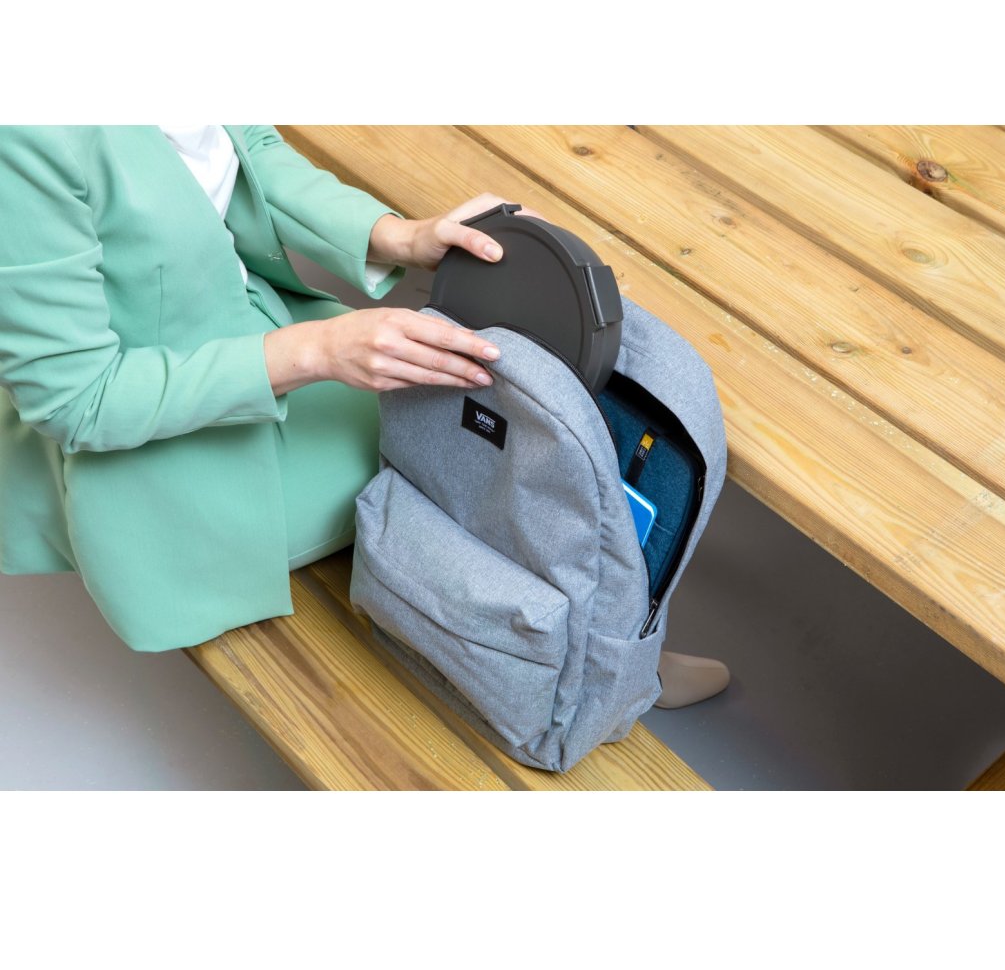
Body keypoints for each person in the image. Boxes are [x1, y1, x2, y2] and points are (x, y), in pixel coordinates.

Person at [0, 124, 727, 706]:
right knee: (474, 449)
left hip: (251, 335)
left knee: (481, 421)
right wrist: (315, 351)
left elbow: (248, 151)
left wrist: (401, 236)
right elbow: (78, 399)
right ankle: (599, 671)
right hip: (171, 444)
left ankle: (599, 647)